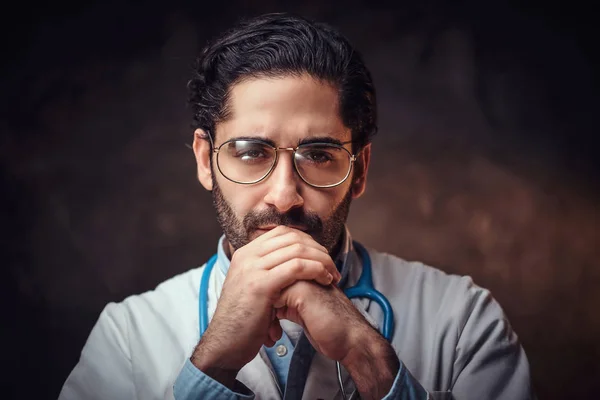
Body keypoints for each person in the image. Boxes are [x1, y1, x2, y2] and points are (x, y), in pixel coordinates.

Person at [59, 13, 533, 400]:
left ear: (361, 171)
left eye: (320, 155)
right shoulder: (127, 338)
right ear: (205, 161)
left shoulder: (462, 320)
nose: (284, 195)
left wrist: (369, 359)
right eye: (250, 152)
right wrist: (212, 367)